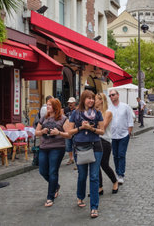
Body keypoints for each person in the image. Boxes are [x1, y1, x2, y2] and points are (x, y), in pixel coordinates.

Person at [68, 90, 105, 219]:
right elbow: (69, 132)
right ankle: (80, 196)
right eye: (88, 98)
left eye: (92, 98)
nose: (91, 100)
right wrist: (81, 128)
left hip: (96, 147)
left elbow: (102, 131)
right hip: (80, 148)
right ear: (83, 99)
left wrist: (91, 129)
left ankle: (94, 207)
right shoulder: (75, 114)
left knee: (94, 177)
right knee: (82, 175)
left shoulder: (98, 113)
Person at [35, 98, 71, 207]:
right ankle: (55, 185)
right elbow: (36, 132)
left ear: (55, 106)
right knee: (42, 171)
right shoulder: (43, 118)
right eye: (47, 105)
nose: (47, 107)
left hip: (57, 148)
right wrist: (42, 131)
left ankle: (50, 197)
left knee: (53, 171)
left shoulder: (63, 119)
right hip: (44, 147)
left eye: (49, 105)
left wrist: (58, 132)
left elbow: (69, 134)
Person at [95, 93, 119, 195]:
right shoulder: (94, 112)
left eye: (95, 99)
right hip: (95, 140)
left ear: (101, 100)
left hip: (105, 141)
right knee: (95, 165)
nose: (93, 101)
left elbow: (102, 128)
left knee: (104, 164)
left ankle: (115, 181)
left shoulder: (108, 113)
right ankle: (99, 187)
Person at [108, 89, 134, 185]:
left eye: (113, 95)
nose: (111, 97)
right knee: (115, 155)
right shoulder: (109, 108)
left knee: (121, 154)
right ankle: (117, 171)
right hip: (113, 135)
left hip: (124, 135)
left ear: (118, 95)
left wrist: (129, 133)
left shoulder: (125, 107)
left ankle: (121, 174)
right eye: (110, 95)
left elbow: (130, 120)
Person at [64, 97, 77, 165]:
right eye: (69, 103)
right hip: (68, 130)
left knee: (75, 146)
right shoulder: (66, 109)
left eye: (71, 103)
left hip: (75, 130)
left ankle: (76, 161)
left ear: (74, 103)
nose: (70, 104)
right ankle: (71, 159)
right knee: (68, 146)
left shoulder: (77, 110)